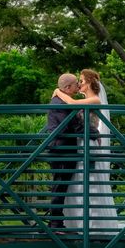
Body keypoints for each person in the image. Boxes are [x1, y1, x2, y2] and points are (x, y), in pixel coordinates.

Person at [52, 69, 125, 234]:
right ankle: (78, 222)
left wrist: (57, 91)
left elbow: (70, 104)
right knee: (78, 184)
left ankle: (91, 225)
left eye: (82, 80)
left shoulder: (94, 100)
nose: (80, 84)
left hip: (88, 147)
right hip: (79, 146)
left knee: (89, 183)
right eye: (78, 81)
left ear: (90, 82)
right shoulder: (85, 99)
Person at [45, 73, 89, 232]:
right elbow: (73, 125)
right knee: (59, 187)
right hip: (61, 150)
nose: (78, 86)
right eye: (76, 84)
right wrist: (94, 132)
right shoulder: (60, 103)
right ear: (67, 88)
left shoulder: (60, 100)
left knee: (60, 187)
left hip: (62, 149)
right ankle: (56, 224)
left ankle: (54, 222)